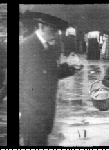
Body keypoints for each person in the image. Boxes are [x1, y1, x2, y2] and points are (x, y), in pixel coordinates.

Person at [19, 12, 78, 146]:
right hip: (31, 112)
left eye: (57, 30)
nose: (55, 33)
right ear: (42, 26)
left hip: (47, 111)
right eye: (53, 29)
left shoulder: (52, 46)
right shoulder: (25, 47)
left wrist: (70, 67)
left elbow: (51, 73)